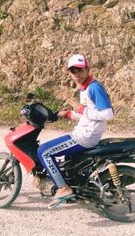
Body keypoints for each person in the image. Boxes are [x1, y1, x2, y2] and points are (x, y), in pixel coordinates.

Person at [37, 54, 114, 208]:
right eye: (73, 72)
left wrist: (80, 108)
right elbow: (88, 114)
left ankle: (63, 188)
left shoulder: (94, 88)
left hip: (85, 136)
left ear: (87, 69)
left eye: (80, 70)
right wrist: (68, 114)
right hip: (85, 132)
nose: (76, 75)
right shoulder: (84, 89)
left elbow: (108, 114)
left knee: (43, 152)